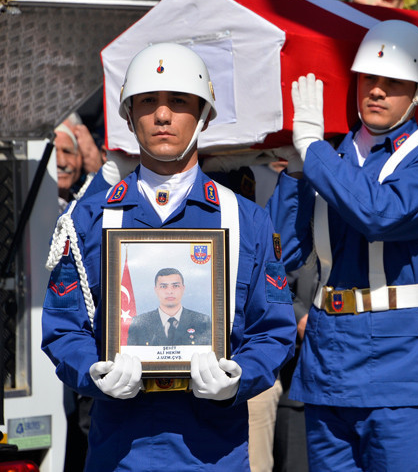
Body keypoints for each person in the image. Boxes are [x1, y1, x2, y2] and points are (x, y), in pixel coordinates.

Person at [41, 42, 296, 470]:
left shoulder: (246, 220)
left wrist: (237, 379)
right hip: (119, 454)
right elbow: (63, 327)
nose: (162, 115)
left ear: (202, 116)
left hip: (214, 455)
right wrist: (93, 372)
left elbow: (273, 331)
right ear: (129, 116)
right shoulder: (86, 219)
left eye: (178, 101)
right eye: (147, 103)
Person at [268, 19, 418, 470]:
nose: (376, 91)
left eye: (393, 83)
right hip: (327, 360)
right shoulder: (327, 156)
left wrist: (313, 149)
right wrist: (296, 171)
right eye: (368, 79)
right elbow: (281, 254)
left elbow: (381, 214)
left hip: (402, 366)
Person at [126, 267, 211, 346]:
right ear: (156, 290)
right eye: (163, 286)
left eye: (175, 286)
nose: (170, 291)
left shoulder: (202, 322)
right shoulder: (140, 323)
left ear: (183, 288)